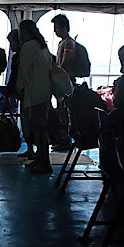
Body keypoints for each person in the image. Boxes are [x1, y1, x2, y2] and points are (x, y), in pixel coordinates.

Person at [17, 20, 53, 174]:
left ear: (25, 32)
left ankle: (44, 163)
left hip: (34, 93)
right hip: (44, 92)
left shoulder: (29, 46)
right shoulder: (42, 46)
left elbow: (23, 70)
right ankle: (41, 159)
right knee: (40, 128)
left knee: (38, 129)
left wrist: (18, 88)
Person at [6, 29, 34, 160]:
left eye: (12, 42)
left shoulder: (20, 56)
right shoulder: (26, 54)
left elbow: (14, 75)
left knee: (28, 121)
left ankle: (31, 149)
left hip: (26, 92)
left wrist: (9, 91)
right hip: (28, 92)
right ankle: (31, 149)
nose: (11, 46)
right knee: (28, 121)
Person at [50, 14, 74, 151]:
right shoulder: (63, 43)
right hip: (61, 84)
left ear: (63, 27)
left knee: (65, 113)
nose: (55, 31)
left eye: (56, 27)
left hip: (65, 84)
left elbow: (65, 64)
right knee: (61, 112)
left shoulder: (69, 43)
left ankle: (66, 139)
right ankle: (63, 138)